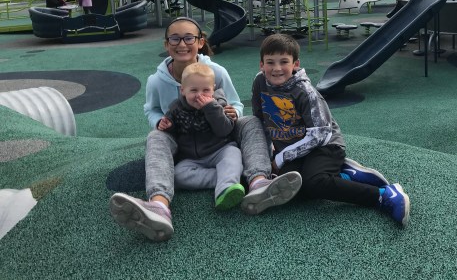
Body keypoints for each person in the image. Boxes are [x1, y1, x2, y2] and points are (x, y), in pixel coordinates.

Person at [109, 17, 302, 241]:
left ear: (200, 42)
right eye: (175, 39)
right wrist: (159, 121)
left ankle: (259, 180)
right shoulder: (157, 81)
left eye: (189, 38)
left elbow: (235, 103)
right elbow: (151, 109)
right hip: (181, 139)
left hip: (219, 135)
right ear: (167, 44)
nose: (182, 44)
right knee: (156, 136)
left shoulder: (216, 72)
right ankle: (159, 205)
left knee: (250, 121)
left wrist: (233, 112)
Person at [251, 33, 411, 226]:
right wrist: (269, 150)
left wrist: (281, 157)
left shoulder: (304, 92)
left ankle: (383, 195)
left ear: (295, 64)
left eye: (283, 62)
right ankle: (344, 175)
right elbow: (260, 118)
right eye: (270, 62)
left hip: (325, 145)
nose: (276, 68)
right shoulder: (260, 82)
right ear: (262, 65)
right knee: (292, 189)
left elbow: (320, 134)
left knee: (316, 183)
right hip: (295, 151)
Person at [158, 62, 245, 210]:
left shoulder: (218, 104)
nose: (199, 95)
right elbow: (172, 133)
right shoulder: (175, 108)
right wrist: (167, 125)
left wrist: (211, 108)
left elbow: (224, 130)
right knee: (177, 176)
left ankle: (225, 190)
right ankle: (227, 178)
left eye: (206, 90)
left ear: (213, 89)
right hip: (192, 158)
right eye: (193, 90)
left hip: (220, 150)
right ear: (183, 90)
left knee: (233, 154)